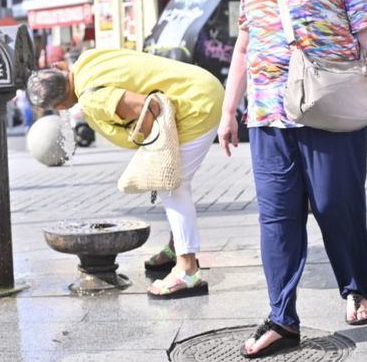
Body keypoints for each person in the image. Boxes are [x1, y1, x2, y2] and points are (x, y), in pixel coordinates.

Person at [219, 0, 367, 358]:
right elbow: (243, 47)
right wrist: (228, 111)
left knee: (336, 206)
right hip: (268, 118)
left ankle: (357, 287)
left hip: (331, 111)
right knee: (276, 218)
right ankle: (281, 319)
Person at [27, 48, 224, 298]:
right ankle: (177, 247)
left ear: (59, 105)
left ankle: (187, 270)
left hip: (196, 105)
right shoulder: (87, 59)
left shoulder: (91, 99)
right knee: (175, 182)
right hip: (197, 85)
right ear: (58, 68)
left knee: (172, 186)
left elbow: (148, 107)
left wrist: (143, 143)